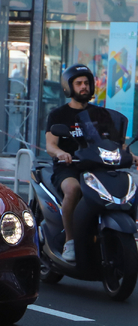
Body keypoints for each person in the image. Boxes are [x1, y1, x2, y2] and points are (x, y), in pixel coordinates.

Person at [46, 64, 138, 261]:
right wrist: (61, 153)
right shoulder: (58, 115)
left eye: (86, 83)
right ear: (69, 87)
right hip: (69, 167)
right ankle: (70, 242)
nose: (83, 87)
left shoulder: (102, 114)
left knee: (126, 186)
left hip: (98, 166)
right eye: (78, 83)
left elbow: (117, 144)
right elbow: (51, 145)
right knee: (73, 189)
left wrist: (129, 155)